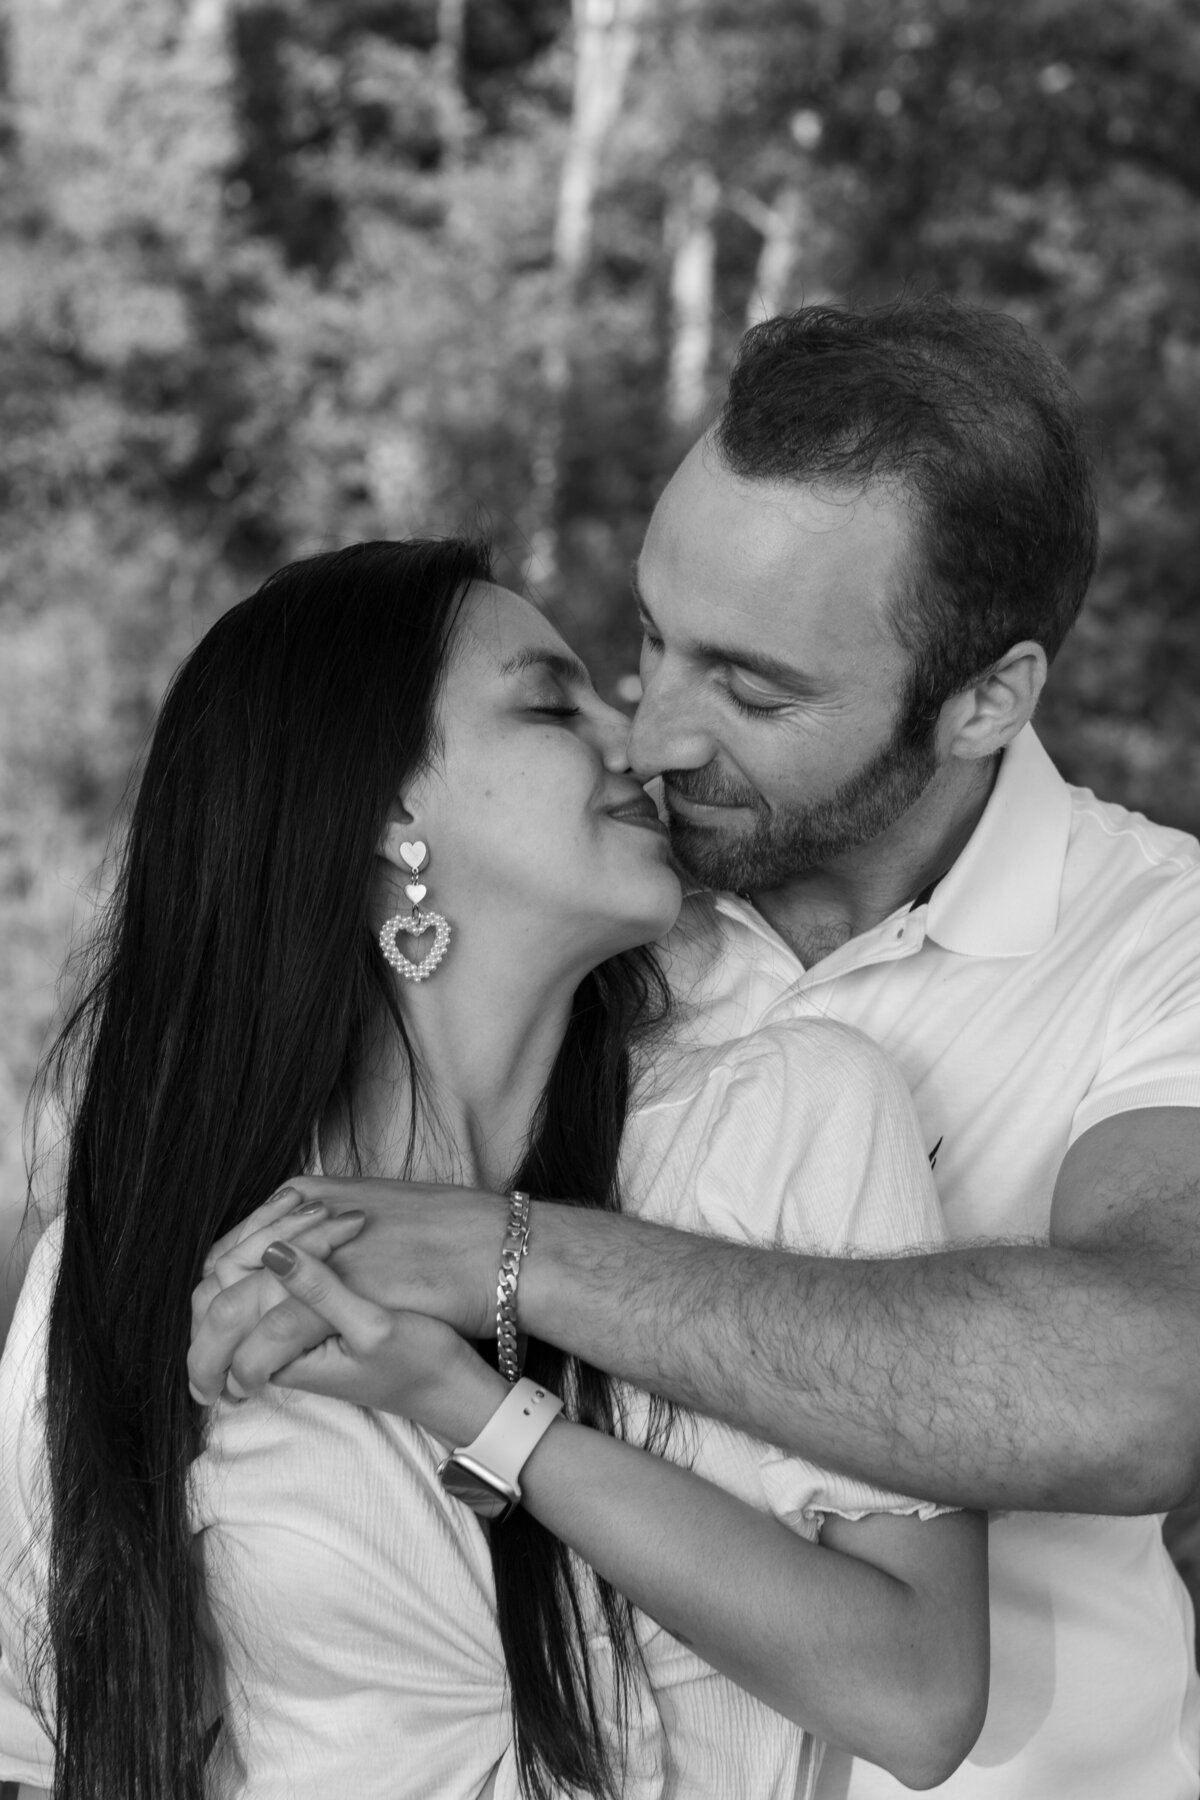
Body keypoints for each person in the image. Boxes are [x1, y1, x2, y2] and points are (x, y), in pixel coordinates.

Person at [188, 298, 1200, 1799]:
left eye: (752, 687)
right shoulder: (592, 904)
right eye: (654, 639)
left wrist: (508, 1257)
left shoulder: (1158, 944)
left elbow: (1146, 1392)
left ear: (988, 698)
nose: (653, 733)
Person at [0, 538, 988, 1799]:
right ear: (381, 807)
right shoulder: (143, 1248)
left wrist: (477, 1412)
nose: (641, 744)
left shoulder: (790, 1116)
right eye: (548, 703)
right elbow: (48, 1744)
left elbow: (919, 1697)